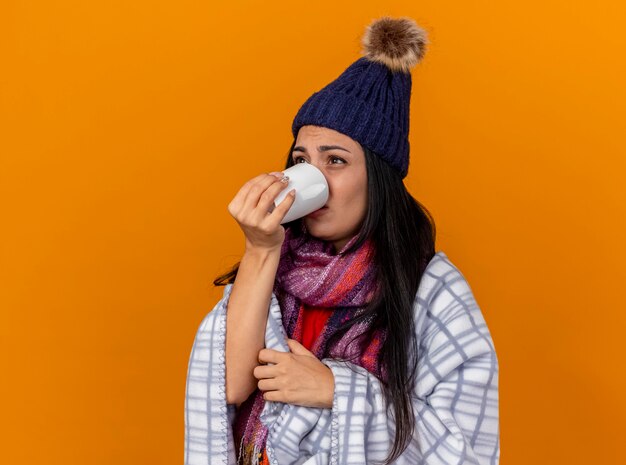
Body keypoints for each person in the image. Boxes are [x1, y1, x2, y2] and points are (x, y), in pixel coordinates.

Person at [185, 16, 500, 465]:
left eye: (335, 160)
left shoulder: (432, 290)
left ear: (377, 177)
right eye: (301, 160)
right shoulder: (278, 265)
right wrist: (261, 248)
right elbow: (228, 389)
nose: (313, 177)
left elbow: (463, 448)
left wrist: (335, 390)